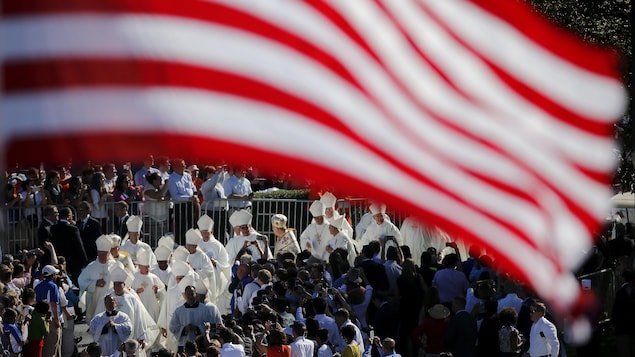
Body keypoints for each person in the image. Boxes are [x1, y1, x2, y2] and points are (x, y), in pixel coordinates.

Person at [95, 266, 160, 357]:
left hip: (129, 339)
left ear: (124, 285)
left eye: (119, 284)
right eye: (115, 284)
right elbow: (100, 316)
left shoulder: (132, 299)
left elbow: (139, 318)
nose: (117, 287)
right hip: (112, 338)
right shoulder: (107, 297)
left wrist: (142, 337)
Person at [78, 235, 126, 323]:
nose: (102, 256)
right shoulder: (91, 267)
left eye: (104, 254)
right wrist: (94, 283)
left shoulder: (115, 266)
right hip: (95, 301)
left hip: (112, 301)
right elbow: (81, 281)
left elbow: (124, 281)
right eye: (100, 254)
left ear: (109, 254)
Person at [169, 285, 215, 350]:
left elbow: (209, 325)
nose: (190, 296)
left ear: (195, 294)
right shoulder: (179, 310)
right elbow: (172, 327)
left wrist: (197, 328)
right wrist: (184, 329)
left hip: (199, 345)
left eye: (192, 294)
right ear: (185, 295)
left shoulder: (204, 309)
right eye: (188, 294)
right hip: (184, 344)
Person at [50, 206, 88, 282]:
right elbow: (79, 245)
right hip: (73, 261)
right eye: (71, 215)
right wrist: (85, 261)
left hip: (59, 259)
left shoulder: (53, 228)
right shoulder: (73, 229)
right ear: (68, 216)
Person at [167, 158, 199, 244]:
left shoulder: (187, 176)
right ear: (175, 167)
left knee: (191, 226)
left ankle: (191, 244)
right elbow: (175, 196)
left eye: (184, 165)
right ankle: (181, 244)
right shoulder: (172, 179)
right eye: (182, 165)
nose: (184, 167)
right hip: (180, 206)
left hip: (190, 204)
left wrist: (195, 196)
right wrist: (188, 198)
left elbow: (193, 187)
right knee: (182, 227)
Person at [34, 265, 62, 357]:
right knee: (52, 348)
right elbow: (53, 303)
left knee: (44, 347)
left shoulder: (38, 286)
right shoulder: (53, 286)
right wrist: (56, 319)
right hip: (50, 319)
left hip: (40, 319)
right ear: (53, 275)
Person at [130, 248, 165, 322]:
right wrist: (136, 292)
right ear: (139, 266)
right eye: (145, 267)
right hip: (140, 307)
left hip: (152, 308)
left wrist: (157, 291)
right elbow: (129, 291)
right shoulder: (134, 277)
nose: (148, 269)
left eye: (148, 266)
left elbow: (162, 293)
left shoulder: (154, 277)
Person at [200, 166, 229, 243]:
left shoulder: (218, 184)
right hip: (210, 211)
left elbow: (221, 180)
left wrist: (222, 172)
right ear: (208, 174)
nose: (215, 174)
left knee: (221, 231)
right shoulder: (206, 184)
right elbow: (212, 182)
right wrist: (218, 173)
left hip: (220, 210)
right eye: (213, 172)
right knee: (213, 231)